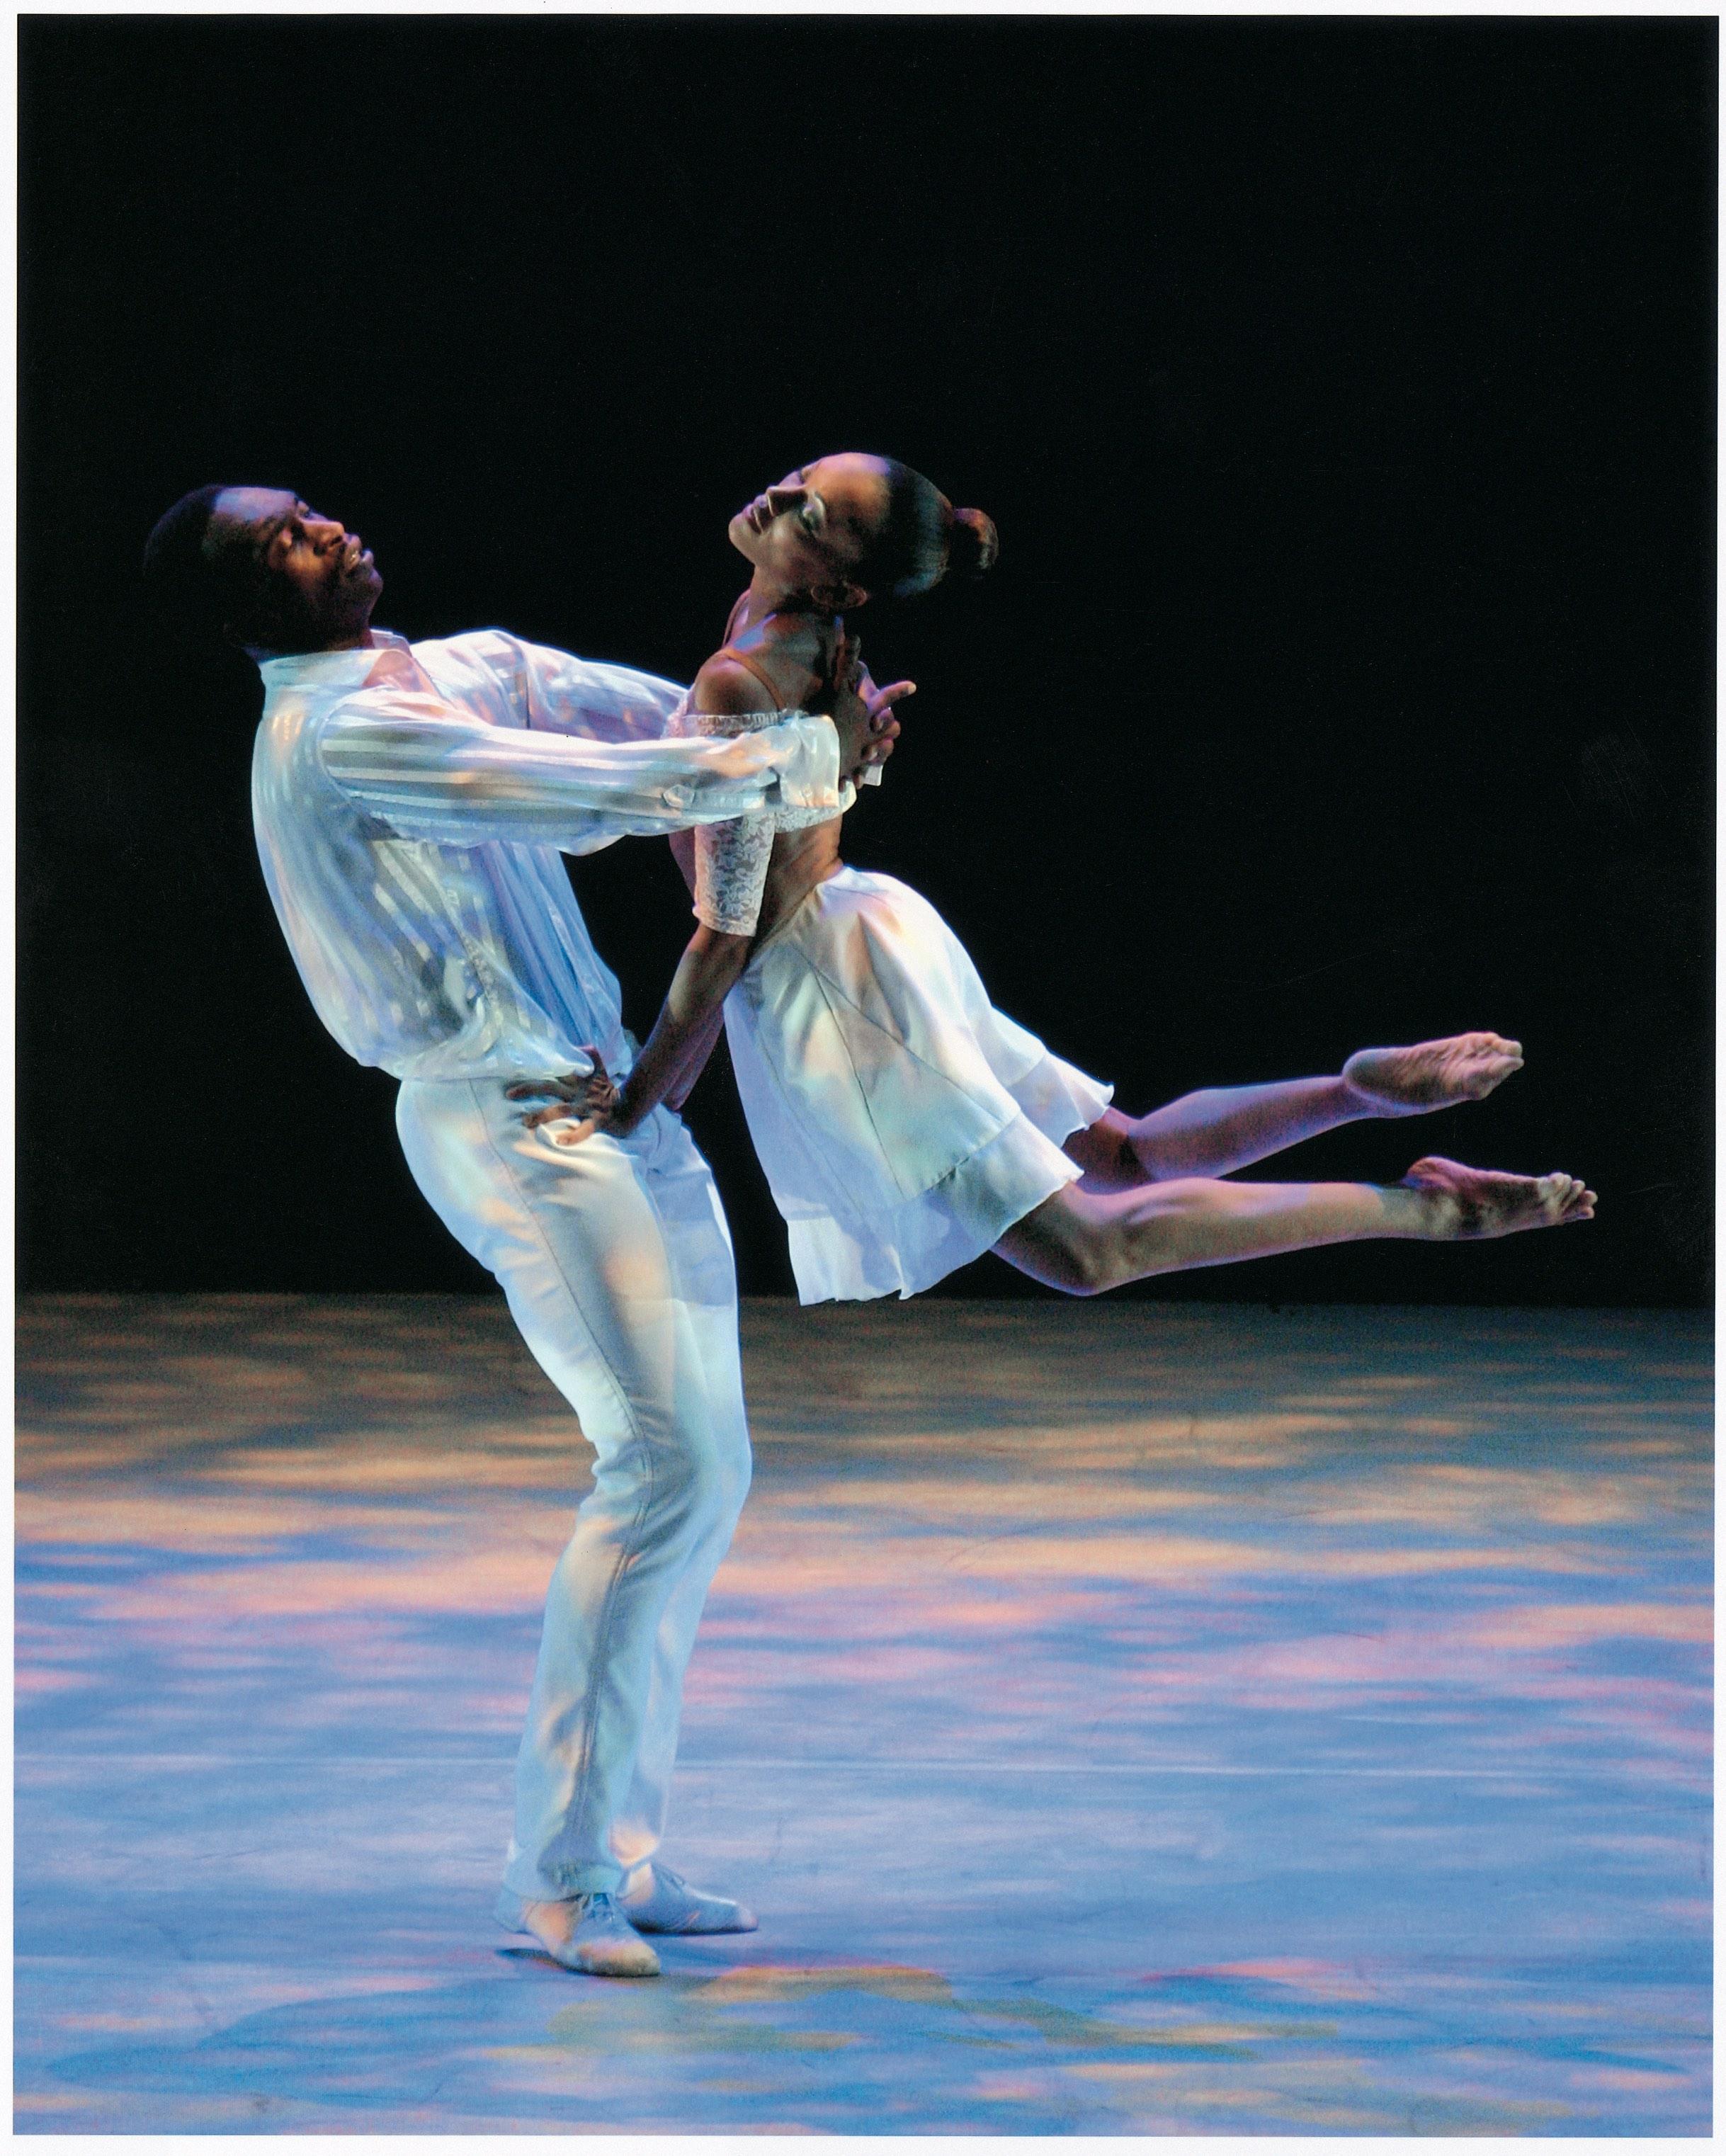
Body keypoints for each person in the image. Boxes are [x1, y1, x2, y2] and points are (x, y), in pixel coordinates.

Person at [142, 483, 899, 1979]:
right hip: (513, 1127)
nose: (332, 530)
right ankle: (553, 1878)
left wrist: (802, 693)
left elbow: (646, 722)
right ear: (248, 609)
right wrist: (789, 755)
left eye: (314, 511)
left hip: (606, 1102)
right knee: (659, 1465)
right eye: (288, 539)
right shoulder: (342, 732)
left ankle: (618, 1846)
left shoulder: (451, 664)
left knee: (703, 1473)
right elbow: (577, 790)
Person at [524, 453, 1595, 1298]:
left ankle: (1425, 1209)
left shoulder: (743, 670)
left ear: (844, 578)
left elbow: (726, 933)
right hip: (873, 938)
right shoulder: (785, 637)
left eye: (816, 512)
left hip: (835, 989)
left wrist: (637, 1103)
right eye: (804, 480)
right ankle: (1353, 1089)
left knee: (1088, 1249)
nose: (783, 495)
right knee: (1121, 1157)